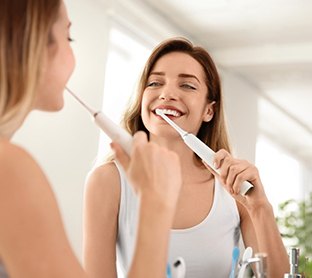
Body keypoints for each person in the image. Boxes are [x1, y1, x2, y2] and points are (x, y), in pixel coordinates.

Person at [0, 1, 182, 277]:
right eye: (68, 37)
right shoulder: (9, 168)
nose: (167, 94)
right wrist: (156, 204)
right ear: (32, 44)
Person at [84, 37, 290, 278]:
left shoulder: (233, 189)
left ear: (208, 110)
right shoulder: (107, 181)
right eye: (154, 83)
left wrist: (259, 208)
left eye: (187, 86)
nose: (167, 93)